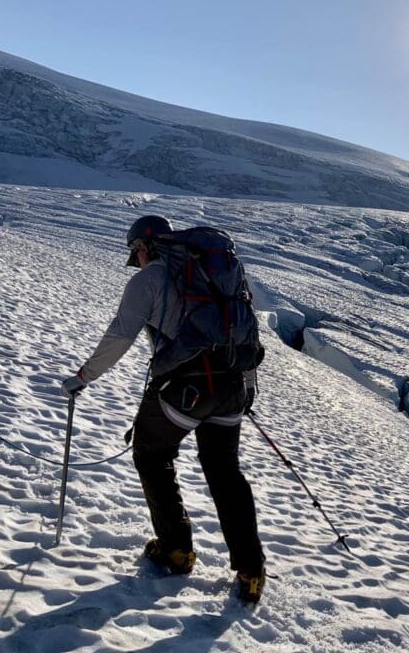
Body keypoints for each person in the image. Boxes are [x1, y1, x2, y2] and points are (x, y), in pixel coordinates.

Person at [60, 214, 266, 603]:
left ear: (144, 246)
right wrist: (248, 387)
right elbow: (247, 330)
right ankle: (251, 570)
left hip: (185, 388)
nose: (134, 260)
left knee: (152, 455)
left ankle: (177, 548)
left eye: (134, 252)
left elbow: (120, 334)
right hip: (232, 384)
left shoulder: (149, 279)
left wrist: (83, 377)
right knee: (225, 473)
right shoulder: (219, 273)